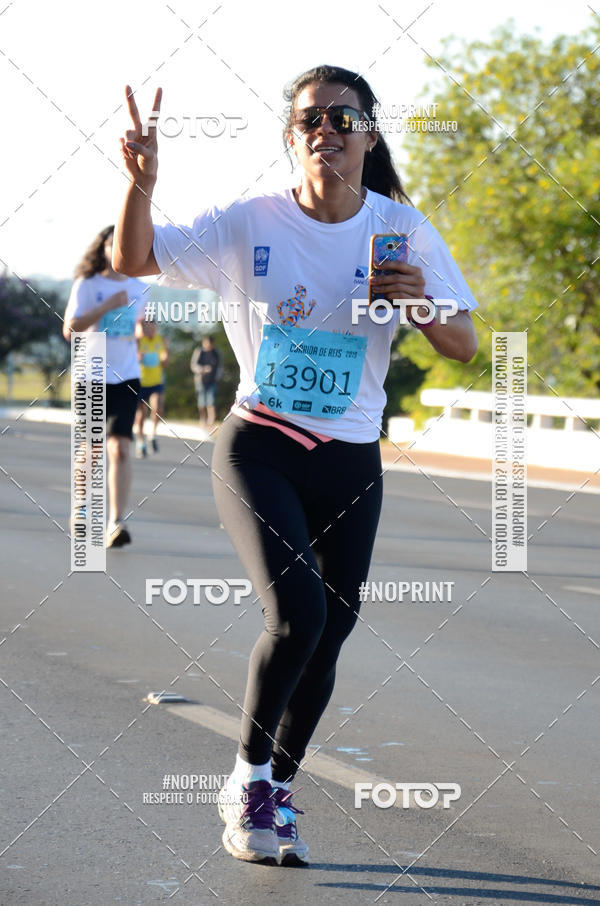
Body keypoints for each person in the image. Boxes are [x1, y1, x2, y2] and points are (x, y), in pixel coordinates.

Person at [113, 66, 478, 865]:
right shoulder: (250, 221)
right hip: (261, 444)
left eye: (344, 119)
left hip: (350, 456)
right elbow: (133, 260)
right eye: (311, 119)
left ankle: (277, 788)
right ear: (292, 136)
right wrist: (142, 184)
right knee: (299, 615)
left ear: (370, 136)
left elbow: (464, 343)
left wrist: (419, 305)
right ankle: (246, 784)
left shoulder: (402, 229)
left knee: (331, 632)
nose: (327, 131)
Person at [63, 225, 147, 548]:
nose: (118, 249)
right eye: (113, 244)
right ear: (104, 248)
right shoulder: (87, 284)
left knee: (121, 448)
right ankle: (81, 510)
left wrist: (147, 329)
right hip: (91, 375)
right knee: (93, 448)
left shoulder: (141, 288)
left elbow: (145, 330)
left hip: (127, 376)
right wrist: (106, 306)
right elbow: (71, 330)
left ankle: (116, 522)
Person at [135, 316, 168, 456]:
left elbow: (165, 359)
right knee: (141, 415)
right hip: (141, 382)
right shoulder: (138, 341)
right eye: (147, 327)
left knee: (158, 408)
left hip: (156, 382)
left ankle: (152, 435)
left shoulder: (161, 340)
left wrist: (165, 358)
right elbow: (131, 360)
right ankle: (140, 442)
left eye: (153, 327)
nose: (151, 330)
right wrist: (138, 358)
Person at [190, 334, 220, 428]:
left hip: (212, 380)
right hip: (200, 380)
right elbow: (193, 365)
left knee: (211, 401)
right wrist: (202, 369)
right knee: (201, 401)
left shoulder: (216, 353)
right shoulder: (199, 351)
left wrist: (217, 377)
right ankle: (202, 419)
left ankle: (211, 421)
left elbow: (220, 367)